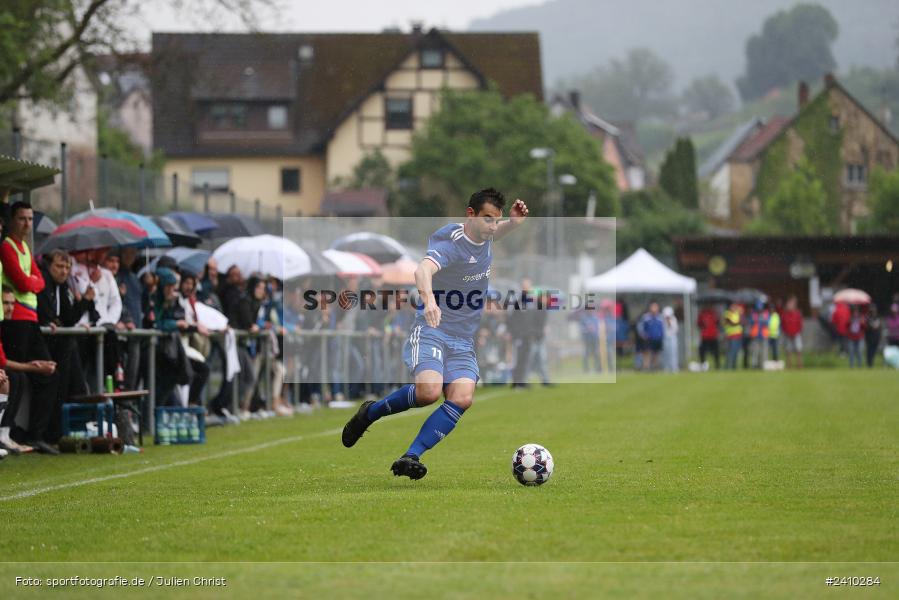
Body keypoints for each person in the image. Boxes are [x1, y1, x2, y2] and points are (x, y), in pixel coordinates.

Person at [341, 188, 528, 480]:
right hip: (433, 331)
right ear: (470, 214)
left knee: (463, 398)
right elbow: (423, 271)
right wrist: (429, 301)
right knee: (429, 392)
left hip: (463, 340)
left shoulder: (486, 234)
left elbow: (495, 234)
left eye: (496, 220)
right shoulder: (450, 242)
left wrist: (512, 224)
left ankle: (411, 455)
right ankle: (371, 412)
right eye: (487, 219)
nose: (492, 226)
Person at [0, 201, 60, 453]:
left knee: (48, 372)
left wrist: (32, 282)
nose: (27, 224)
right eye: (22, 218)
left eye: (29, 219)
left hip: (31, 319)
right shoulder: (7, 246)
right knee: (15, 376)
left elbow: (39, 281)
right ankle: (8, 432)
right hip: (15, 321)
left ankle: (34, 434)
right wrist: (32, 282)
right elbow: (25, 282)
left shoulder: (24, 247)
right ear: (12, 221)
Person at [636, 302, 664, 371]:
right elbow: (640, 326)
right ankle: (646, 367)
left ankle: (654, 367)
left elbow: (663, 328)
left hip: (657, 339)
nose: (654, 308)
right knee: (647, 353)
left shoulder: (660, 317)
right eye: (653, 307)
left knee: (655, 354)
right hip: (648, 338)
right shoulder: (646, 317)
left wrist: (662, 335)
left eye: (656, 307)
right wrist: (643, 334)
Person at [781, 295, 803, 369]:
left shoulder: (797, 313)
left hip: (796, 334)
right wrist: (786, 332)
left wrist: (796, 332)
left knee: (798, 349)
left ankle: (799, 365)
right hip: (787, 334)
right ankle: (789, 365)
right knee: (788, 350)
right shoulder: (785, 314)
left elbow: (800, 324)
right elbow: (783, 324)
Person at [696, 304, 720, 370]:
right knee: (702, 351)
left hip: (713, 335)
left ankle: (717, 365)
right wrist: (703, 325)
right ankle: (703, 364)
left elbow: (718, 322)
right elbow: (698, 324)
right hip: (705, 336)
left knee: (715, 351)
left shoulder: (714, 313)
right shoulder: (702, 314)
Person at [723, 301, 743, 370]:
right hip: (731, 336)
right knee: (731, 352)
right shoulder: (727, 314)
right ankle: (727, 366)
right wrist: (738, 323)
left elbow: (741, 317)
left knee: (736, 352)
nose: (734, 307)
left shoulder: (736, 313)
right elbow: (731, 323)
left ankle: (734, 366)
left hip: (738, 335)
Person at [661, 306, 679, 372]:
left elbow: (675, 329)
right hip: (665, 338)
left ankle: (674, 367)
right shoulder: (662, 320)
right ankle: (666, 368)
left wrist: (669, 323)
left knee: (673, 353)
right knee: (666, 353)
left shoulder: (674, 319)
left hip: (673, 338)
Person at [864, 304, 881, 368]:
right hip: (869, 337)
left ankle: (871, 363)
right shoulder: (868, 318)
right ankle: (869, 364)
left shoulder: (878, 317)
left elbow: (878, 327)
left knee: (873, 351)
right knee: (869, 351)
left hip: (876, 337)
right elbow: (867, 327)